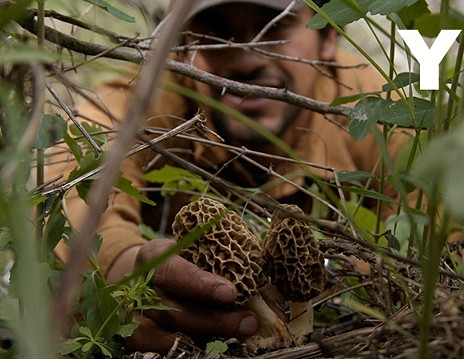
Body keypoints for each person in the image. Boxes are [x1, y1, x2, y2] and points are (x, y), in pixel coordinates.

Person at [49, 0, 413, 353]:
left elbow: (436, 223)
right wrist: (125, 268)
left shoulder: (373, 108)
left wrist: (356, 276)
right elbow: (68, 182)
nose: (246, 60)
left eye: (275, 27)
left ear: (329, 36)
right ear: (184, 45)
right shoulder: (146, 95)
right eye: (218, 32)